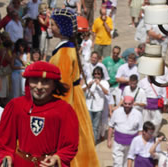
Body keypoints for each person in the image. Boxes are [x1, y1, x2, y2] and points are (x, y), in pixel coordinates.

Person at [0, 61, 79, 167]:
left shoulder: (64, 110)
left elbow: (70, 145)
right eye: (35, 80)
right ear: (28, 81)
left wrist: (57, 157)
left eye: (45, 81)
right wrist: (7, 157)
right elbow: (5, 142)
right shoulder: (15, 106)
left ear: (54, 85)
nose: (39, 87)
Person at [49, 8, 100, 167]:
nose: (50, 27)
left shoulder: (64, 52)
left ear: (61, 27)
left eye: (53, 25)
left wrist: (59, 118)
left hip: (70, 103)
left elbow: (64, 89)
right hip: (76, 100)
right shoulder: (67, 48)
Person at [107, 96, 143, 167]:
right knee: (117, 163)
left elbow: (140, 130)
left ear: (133, 104)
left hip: (131, 144)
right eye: (125, 103)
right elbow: (111, 126)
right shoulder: (117, 112)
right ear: (123, 103)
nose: (127, 105)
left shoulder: (138, 114)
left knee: (127, 163)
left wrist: (139, 144)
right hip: (118, 143)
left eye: (129, 104)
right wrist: (109, 140)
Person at [82, 66, 109, 142]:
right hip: (89, 106)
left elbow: (106, 92)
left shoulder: (104, 82)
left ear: (101, 75)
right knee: (88, 125)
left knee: (95, 126)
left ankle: (93, 141)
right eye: (95, 73)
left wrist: (99, 84)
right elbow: (82, 90)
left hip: (98, 107)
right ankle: (87, 141)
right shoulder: (90, 80)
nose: (96, 75)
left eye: (98, 74)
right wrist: (88, 85)